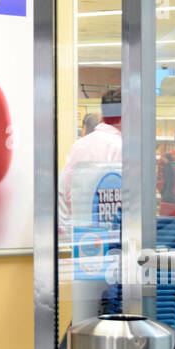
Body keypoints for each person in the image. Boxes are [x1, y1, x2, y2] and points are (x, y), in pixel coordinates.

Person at [58, 88, 122, 237]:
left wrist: (68, 232)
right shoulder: (120, 147)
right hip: (108, 236)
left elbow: (63, 189)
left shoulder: (79, 145)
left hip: (80, 234)